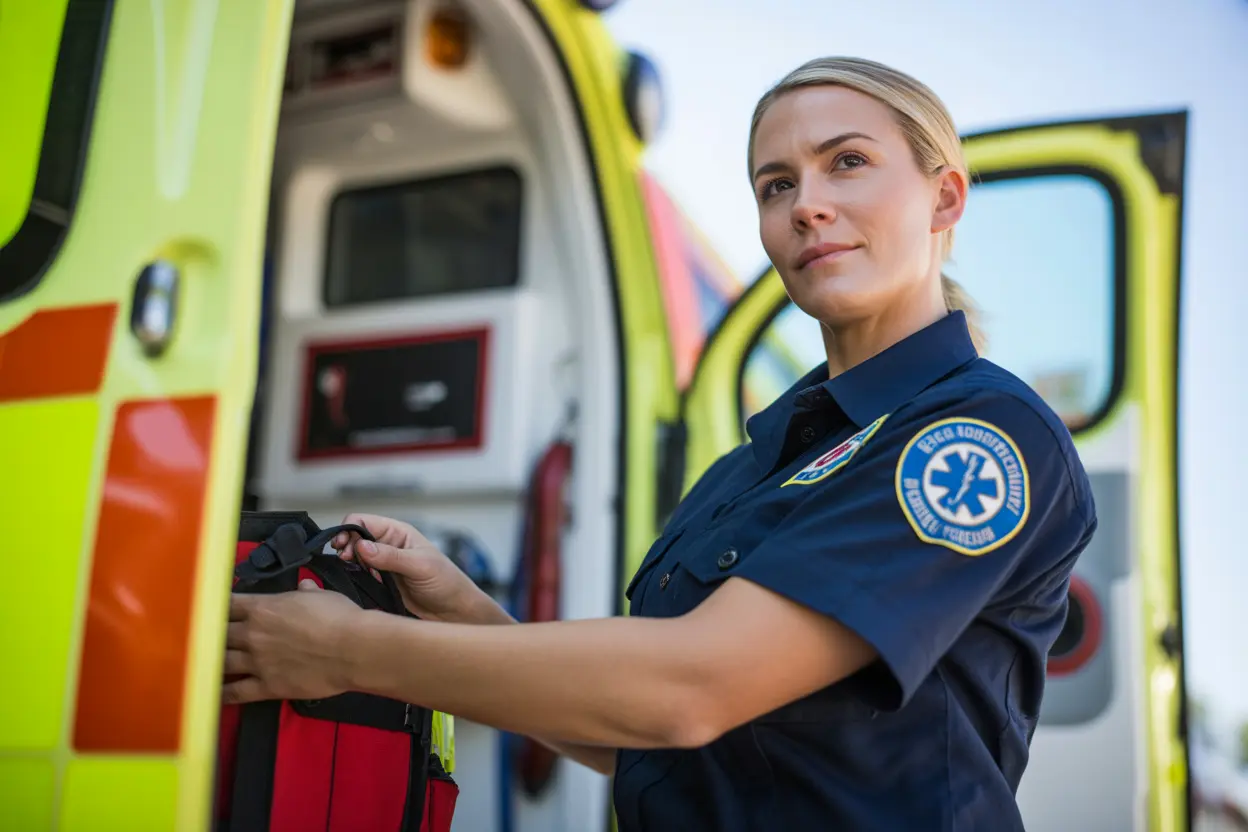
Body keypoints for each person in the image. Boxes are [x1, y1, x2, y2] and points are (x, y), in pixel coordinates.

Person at [223, 56, 1097, 830]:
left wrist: (347, 653)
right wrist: (460, 608)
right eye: (776, 185)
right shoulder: (753, 466)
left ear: (945, 197)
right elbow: (640, 736)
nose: (808, 206)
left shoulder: (977, 434)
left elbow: (690, 691)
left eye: (849, 163)